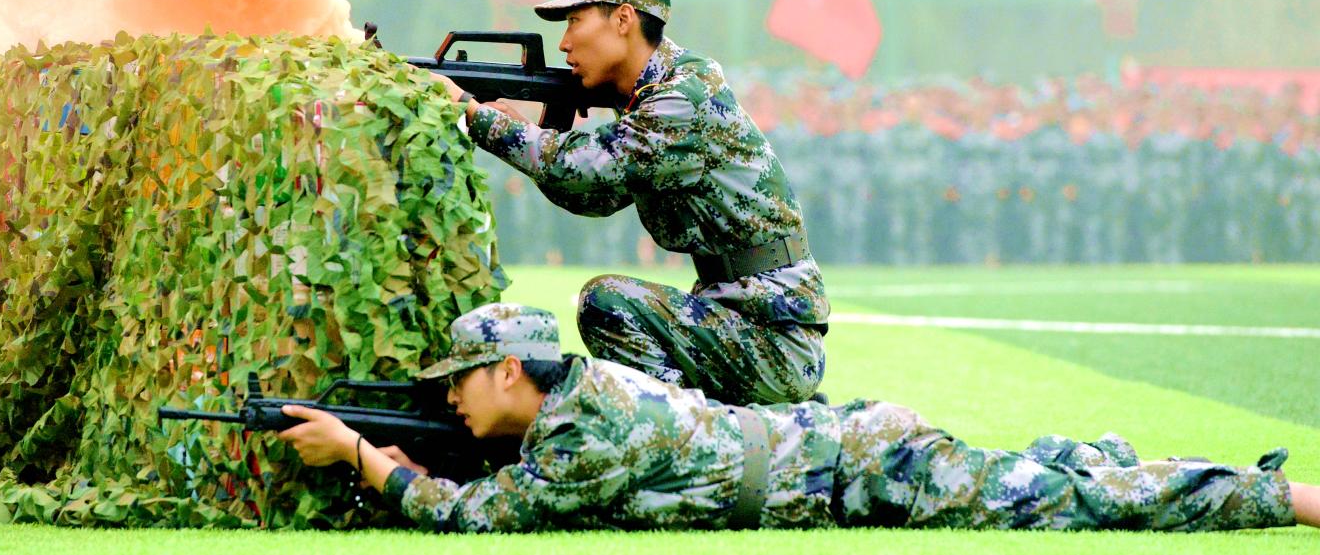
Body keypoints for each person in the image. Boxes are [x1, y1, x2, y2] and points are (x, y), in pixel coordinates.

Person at [279, 303, 1318, 534]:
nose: (451, 397)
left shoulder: (590, 431)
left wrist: (363, 455)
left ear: (511, 369)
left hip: (861, 467)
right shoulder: (586, 392)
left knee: (1079, 504)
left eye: (461, 380)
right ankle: (1113, 461)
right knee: (1047, 475)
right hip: (848, 448)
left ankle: (1284, 495)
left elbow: (484, 518)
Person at [425, 0, 827, 405]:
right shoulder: (649, 98)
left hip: (772, 336)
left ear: (622, 19)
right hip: (744, 319)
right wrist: (524, 132)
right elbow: (592, 197)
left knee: (608, 304)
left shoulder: (683, 97)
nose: (564, 43)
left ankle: (693, 429)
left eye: (575, 21)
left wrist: (475, 115)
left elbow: (587, 169)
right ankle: (710, 421)